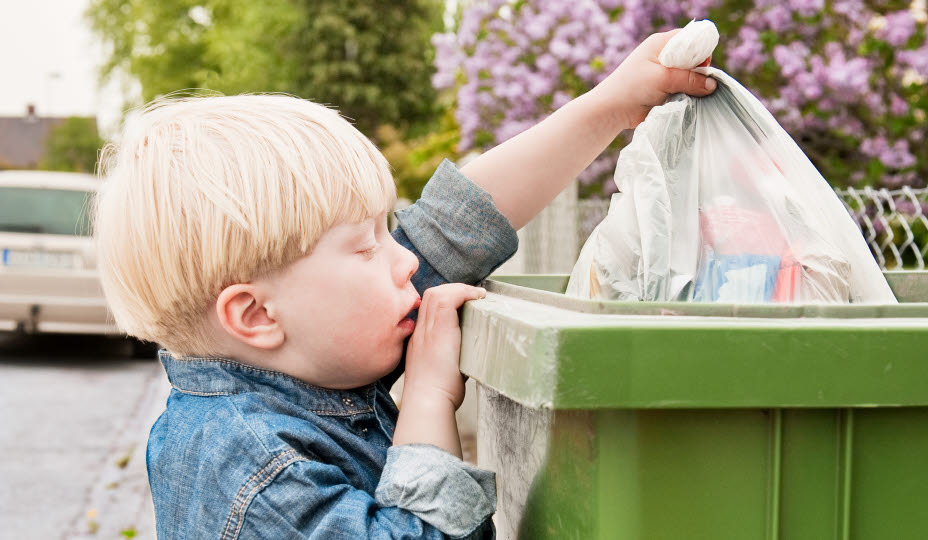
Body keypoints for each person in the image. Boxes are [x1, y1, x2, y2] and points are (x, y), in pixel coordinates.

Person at [93, 30, 714, 539]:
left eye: (386, 233)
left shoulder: (308, 347)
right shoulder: (253, 470)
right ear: (255, 315)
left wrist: (612, 104)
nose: (407, 262)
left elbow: (457, 226)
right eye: (366, 246)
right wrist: (427, 397)